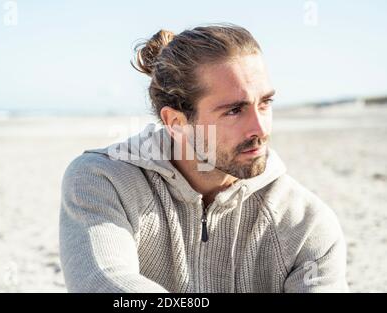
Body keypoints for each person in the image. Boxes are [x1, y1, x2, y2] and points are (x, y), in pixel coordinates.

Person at [59, 23, 349, 292]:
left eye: (265, 103)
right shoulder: (102, 180)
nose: (260, 129)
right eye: (234, 110)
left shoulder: (306, 223)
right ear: (175, 122)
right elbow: (106, 282)